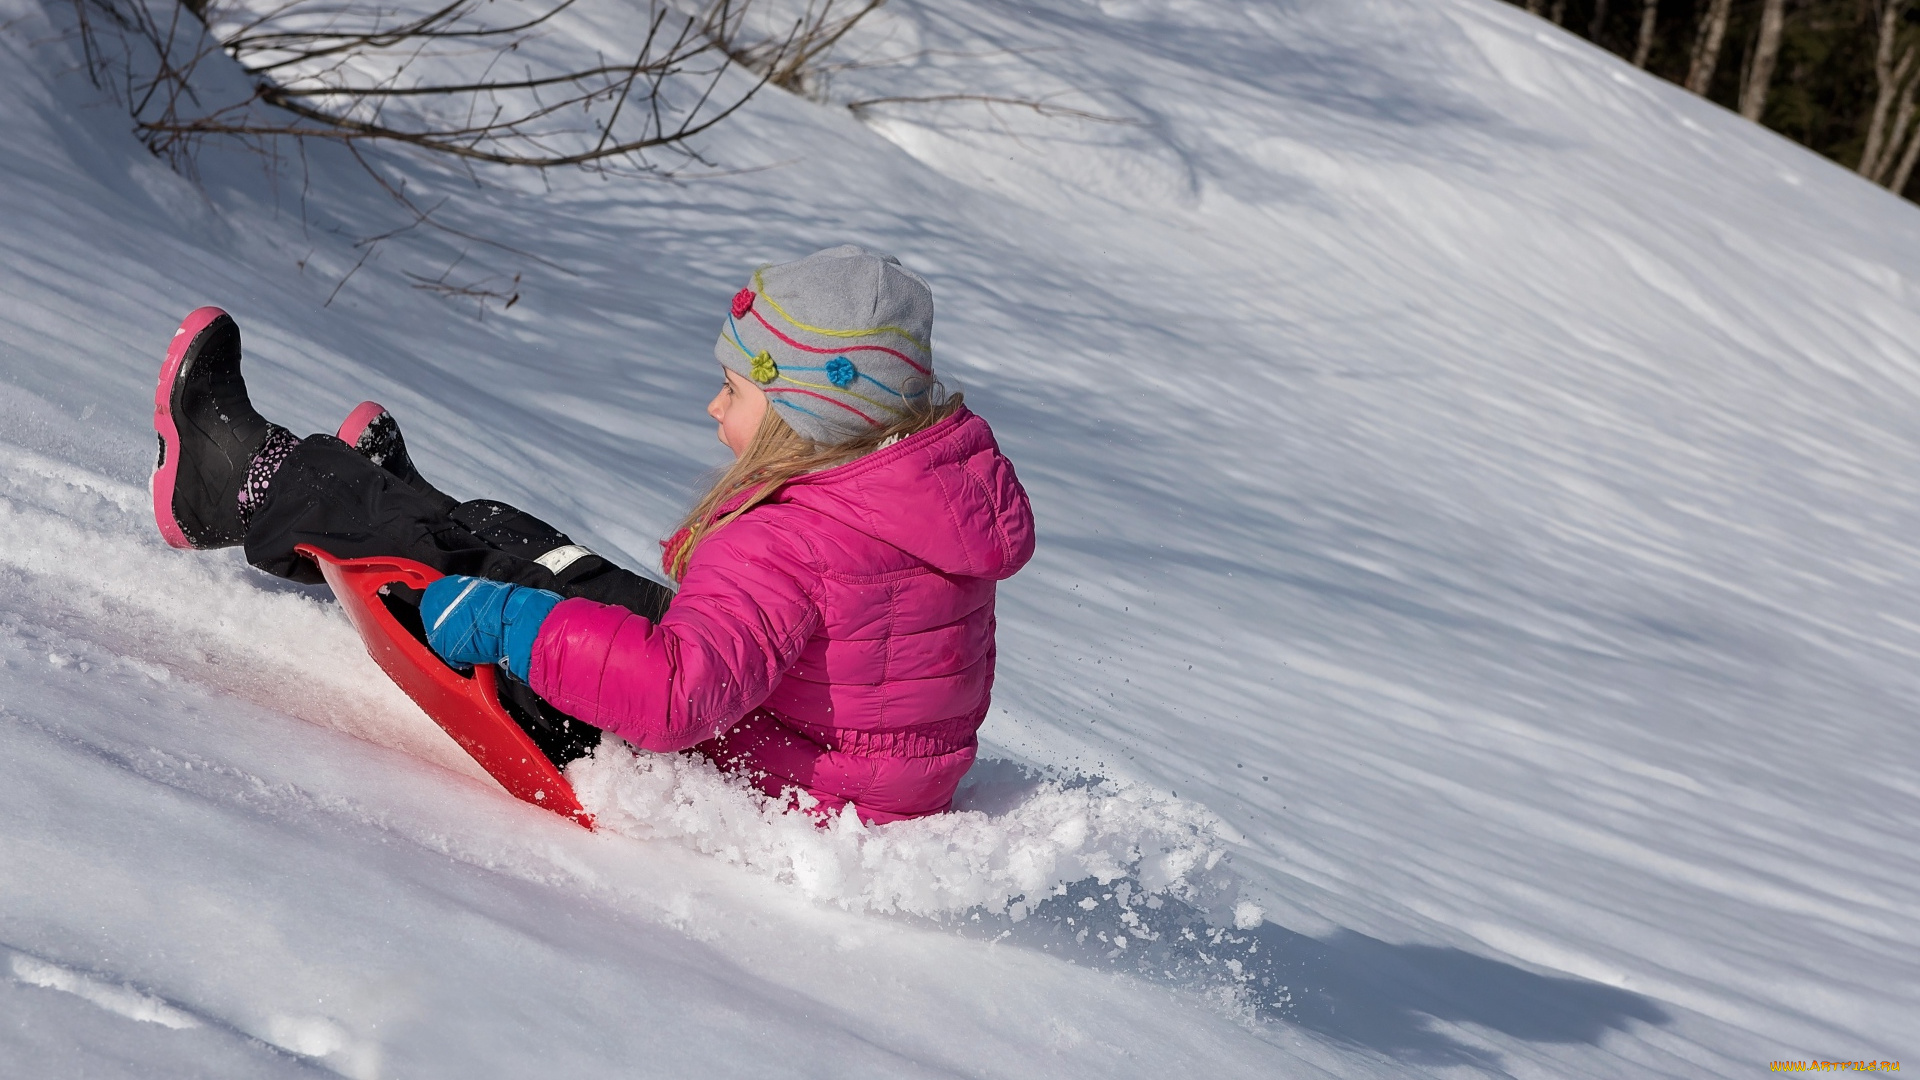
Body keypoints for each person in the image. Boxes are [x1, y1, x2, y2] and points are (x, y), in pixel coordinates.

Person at [151, 245, 1036, 824]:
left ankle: (241, 483)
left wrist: (513, 627)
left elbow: (670, 697)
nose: (713, 407)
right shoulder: (915, 503)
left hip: (726, 781)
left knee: (502, 588)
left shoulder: (788, 543)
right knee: (518, 541)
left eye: (735, 392)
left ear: (804, 417)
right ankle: (410, 507)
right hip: (795, 756)